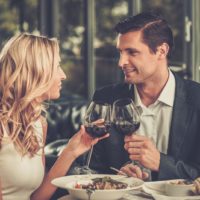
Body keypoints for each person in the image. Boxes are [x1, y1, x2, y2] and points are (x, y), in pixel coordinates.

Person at [89, 11, 200, 181]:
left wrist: (160, 163)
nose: (121, 62)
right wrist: (117, 178)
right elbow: (90, 169)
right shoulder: (106, 98)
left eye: (132, 53)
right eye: (120, 52)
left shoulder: (197, 99)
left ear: (161, 51)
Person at [0, 33, 109, 200]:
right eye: (57, 66)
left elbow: (37, 198)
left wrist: (70, 151)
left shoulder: (38, 123)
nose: (63, 75)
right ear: (36, 71)